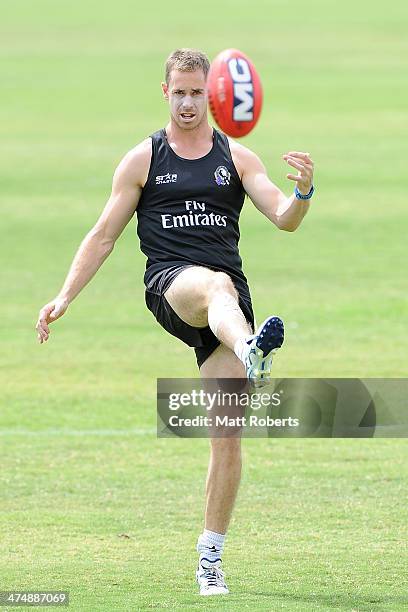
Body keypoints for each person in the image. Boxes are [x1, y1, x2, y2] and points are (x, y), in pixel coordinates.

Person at [36, 48, 315, 596]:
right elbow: (104, 235)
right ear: (165, 93)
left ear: (211, 95)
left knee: (227, 438)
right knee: (214, 284)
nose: (188, 102)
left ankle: (210, 559)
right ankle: (254, 349)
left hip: (230, 307)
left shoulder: (236, 158)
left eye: (197, 92)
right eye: (179, 92)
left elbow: (284, 218)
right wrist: (65, 296)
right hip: (173, 286)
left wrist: (304, 190)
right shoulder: (143, 159)